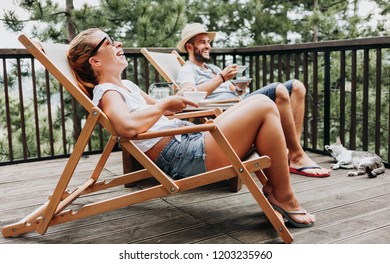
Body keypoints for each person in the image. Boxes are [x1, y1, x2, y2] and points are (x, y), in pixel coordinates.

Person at [67, 28, 315, 228]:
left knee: (261, 102)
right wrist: (166, 104)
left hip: (186, 137)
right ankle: (282, 194)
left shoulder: (127, 85)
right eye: (109, 42)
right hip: (180, 153)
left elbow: (164, 110)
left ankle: (277, 188)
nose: (118, 43)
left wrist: (175, 104)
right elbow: (126, 127)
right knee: (262, 103)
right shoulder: (108, 92)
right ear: (95, 61)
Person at [176, 23, 330, 178]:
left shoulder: (212, 69)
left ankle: (292, 153)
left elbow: (232, 91)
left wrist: (239, 88)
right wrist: (221, 78)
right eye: (202, 42)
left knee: (297, 86)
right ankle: (297, 157)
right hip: (228, 114)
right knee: (279, 90)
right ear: (189, 47)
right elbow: (187, 94)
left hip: (239, 103)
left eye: (208, 42)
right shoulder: (187, 70)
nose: (208, 46)